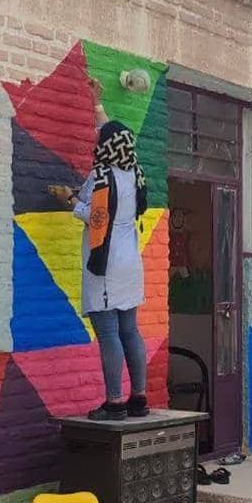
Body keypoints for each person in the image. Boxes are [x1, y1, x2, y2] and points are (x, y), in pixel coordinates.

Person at [53, 80, 149, 421]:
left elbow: (95, 218)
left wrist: (69, 200)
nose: (97, 141)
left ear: (105, 148)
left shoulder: (101, 175)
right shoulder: (134, 173)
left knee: (108, 333)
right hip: (130, 262)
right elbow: (111, 134)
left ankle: (114, 403)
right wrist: (97, 104)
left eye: (100, 140)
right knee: (130, 331)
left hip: (105, 262)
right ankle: (138, 398)